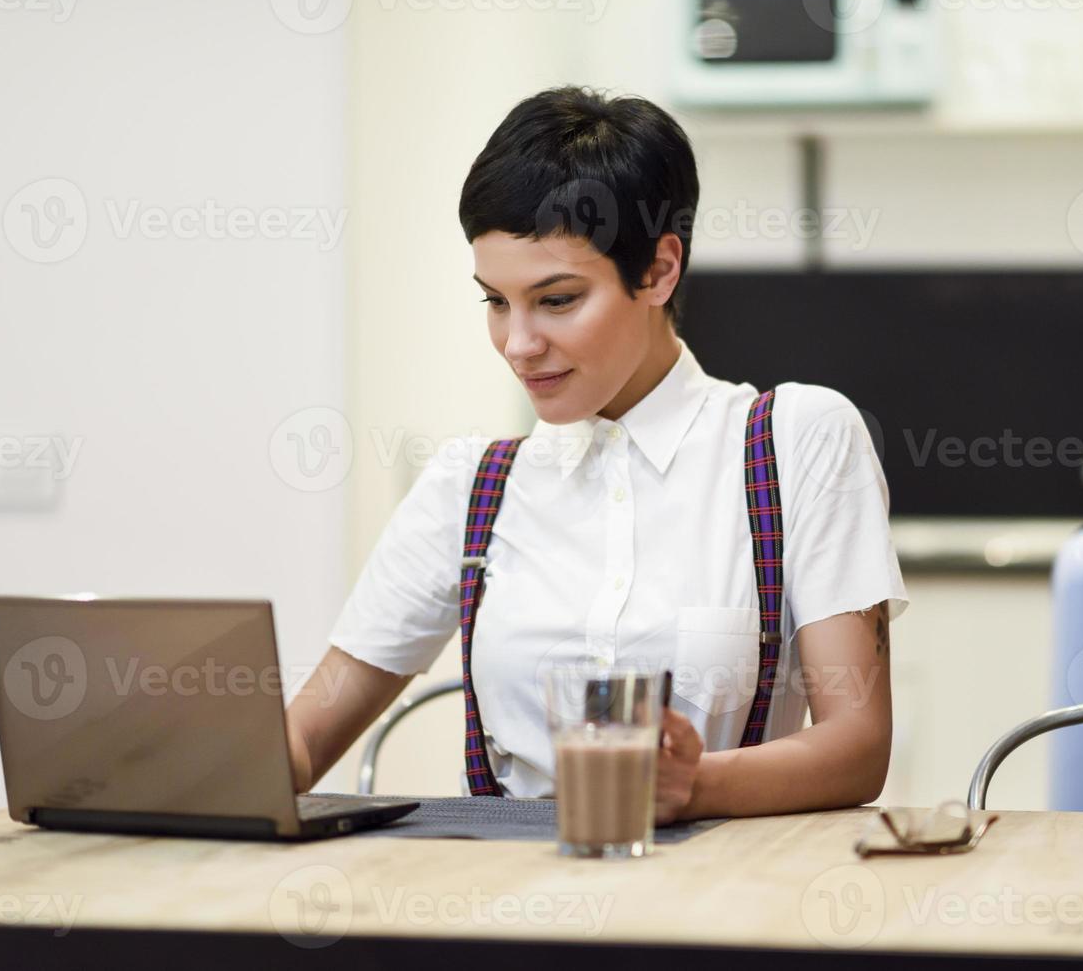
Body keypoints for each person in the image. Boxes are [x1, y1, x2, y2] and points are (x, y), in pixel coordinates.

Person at [286, 85, 909, 823]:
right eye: (494, 301)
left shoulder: (794, 440)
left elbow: (857, 746)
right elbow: (301, 744)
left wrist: (694, 786)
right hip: (498, 912)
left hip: (722, 897)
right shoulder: (469, 485)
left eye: (555, 301)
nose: (517, 344)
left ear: (656, 270)